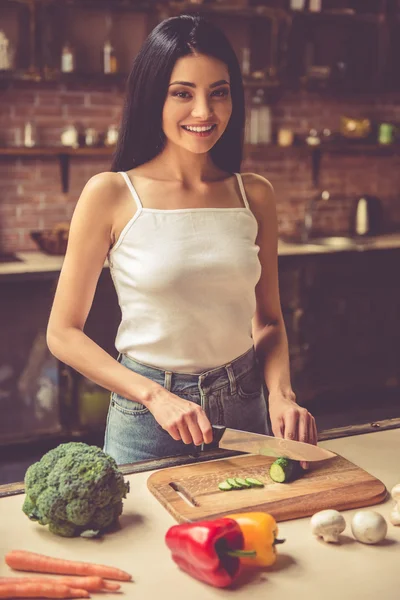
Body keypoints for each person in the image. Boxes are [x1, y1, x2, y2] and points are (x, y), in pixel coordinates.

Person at [47, 14, 317, 468]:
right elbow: (62, 333)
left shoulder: (255, 195)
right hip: (148, 419)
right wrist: (155, 396)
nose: (204, 113)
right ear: (153, 97)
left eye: (219, 92)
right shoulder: (111, 194)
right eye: (182, 93)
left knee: (254, 533)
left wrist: (281, 395)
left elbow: (268, 321)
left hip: (245, 411)